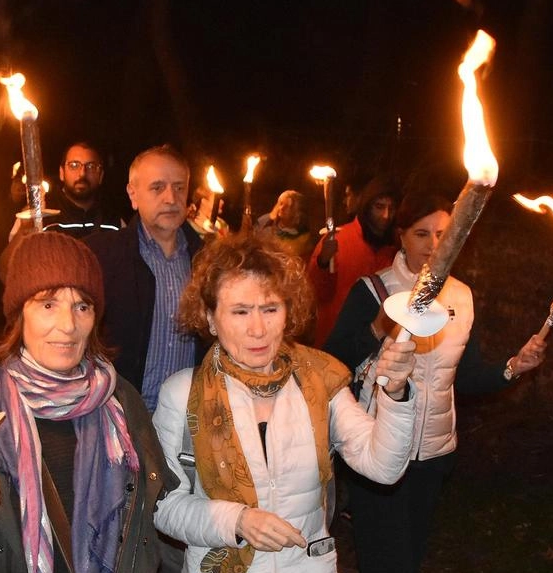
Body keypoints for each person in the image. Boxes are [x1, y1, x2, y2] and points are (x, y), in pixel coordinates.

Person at [152, 234, 419, 572]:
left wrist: (395, 396)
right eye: (240, 311)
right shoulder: (181, 394)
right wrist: (237, 521)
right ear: (210, 318)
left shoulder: (320, 379)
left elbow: (384, 468)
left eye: (270, 308)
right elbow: (163, 505)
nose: (258, 329)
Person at [0, 231, 177, 573]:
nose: (67, 325)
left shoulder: (122, 403)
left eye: (82, 306)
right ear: (19, 314)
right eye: (48, 304)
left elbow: (151, 532)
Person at [325, 194, 548, 573]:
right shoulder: (373, 290)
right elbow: (331, 365)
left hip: (434, 456)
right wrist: (379, 326)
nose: (432, 245)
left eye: (443, 234)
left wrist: (512, 366)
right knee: (384, 562)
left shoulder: (462, 296)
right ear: (402, 236)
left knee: (409, 558)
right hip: (377, 454)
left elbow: (465, 376)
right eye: (421, 233)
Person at [85, 145, 204, 411]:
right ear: (133, 194)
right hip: (124, 415)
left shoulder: (208, 261)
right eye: (157, 188)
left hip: (188, 418)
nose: (171, 198)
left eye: (179, 187)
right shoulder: (103, 255)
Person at [307, 178, 398, 347]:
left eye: (391, 209)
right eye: (379, 207)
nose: (386, 215)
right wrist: (323, 262)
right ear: (366, 206)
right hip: (336, 342)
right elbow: (314, 293)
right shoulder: (338, 240)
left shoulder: (396, 250)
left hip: (377, 345)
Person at [44, 142, 125, 237]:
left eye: (91, 166)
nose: (82, 173)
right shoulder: (44, 215)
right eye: (74, 165)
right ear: (62, 173)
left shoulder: (113, 219)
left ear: (101, 176)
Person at [255, 190, 313, 258]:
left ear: (297, 212)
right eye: (281, 204)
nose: (282, 208)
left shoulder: (304, 238)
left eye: (288, 206)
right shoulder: (265, 225)